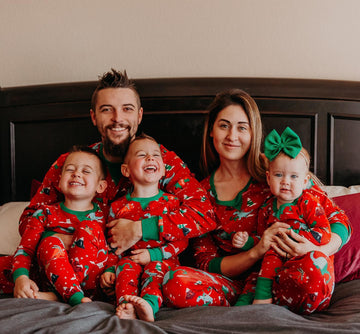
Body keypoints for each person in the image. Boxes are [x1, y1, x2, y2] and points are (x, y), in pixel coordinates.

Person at [0, 69, 216, 294]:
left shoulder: (160, 161)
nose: (118, 118)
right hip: (65, 262)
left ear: (139, 116)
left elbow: (204, 214)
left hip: (136, 269)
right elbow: (30, 218)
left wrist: (140, 229)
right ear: (94, 116)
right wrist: (73, 240)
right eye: (106, 110)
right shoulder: (73, 164)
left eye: (127, 109)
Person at [161, 89, 351, 315]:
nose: (232, 135)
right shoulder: (200, 194)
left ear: (253, 133)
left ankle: (269, 307)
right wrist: (256, 251)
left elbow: (339, 220)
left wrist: (316, 248)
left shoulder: (280, 173)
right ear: (211, 130)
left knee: (315, 266)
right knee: (174, 281)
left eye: (242, 127)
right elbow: (205, 263)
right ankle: (251, 307)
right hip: (237, 287)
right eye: (224, 125)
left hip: (292, 274)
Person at [234, 127, 332, 306]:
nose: (286, 181)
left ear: (304, 181)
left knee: (275, 255)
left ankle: (262, 302)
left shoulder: (308, 202)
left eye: (294, 176)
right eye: (279, 175)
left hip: (302, 260)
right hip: (271, 268)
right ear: (269, 178)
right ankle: (239, 316)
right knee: (252, 282)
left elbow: (324, 231)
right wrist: (247, 241)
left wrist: (295, 238)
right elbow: (262, 239)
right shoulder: (266, 208)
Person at [100, 134, 188, 322]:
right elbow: (112, 244)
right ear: (126, 170)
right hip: (129, 259)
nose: (150, 158)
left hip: (163, 261)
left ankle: (149, 305)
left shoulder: (171, 203)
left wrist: (153, 255)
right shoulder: (118, 207)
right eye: (141, 155)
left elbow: (182, 241)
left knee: (155, 271)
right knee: (123, 268)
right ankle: (126, 305)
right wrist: (108, 268)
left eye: (156, 155)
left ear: (164, 169)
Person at [11, 145, 108, 306]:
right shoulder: (44, 214)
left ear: (101, 186)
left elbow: (113, 251)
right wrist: (21, 278)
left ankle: (66, 295)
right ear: (59, 181)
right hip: (49, 278)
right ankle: (64, 294)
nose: (76, 173)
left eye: (86, 171)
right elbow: (25, 249)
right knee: (49, 242)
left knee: (88, 227)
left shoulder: (104, 215)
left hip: (92, 283)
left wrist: (111, 272)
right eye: (70, 169)